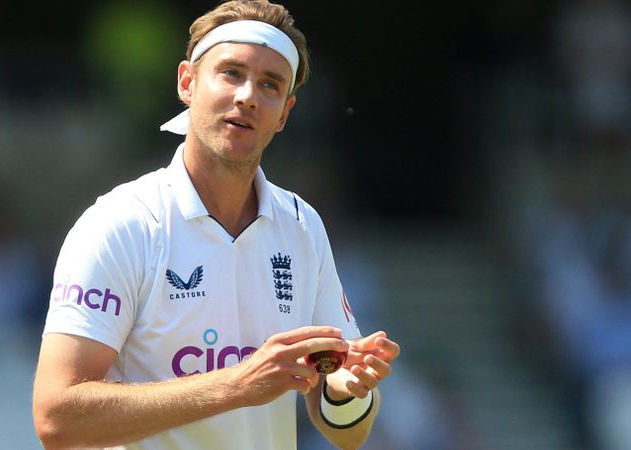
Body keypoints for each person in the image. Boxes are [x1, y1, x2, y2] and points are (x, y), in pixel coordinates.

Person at [32, 1, 400, 449]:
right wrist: (238, 384)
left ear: (284, 113)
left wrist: (345, 390)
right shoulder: (122, 223)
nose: (248, 96)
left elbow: (348, 433)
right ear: (187, 82)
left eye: (270, 84)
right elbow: (57, 419)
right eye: (231, 73)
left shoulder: (302, 226)